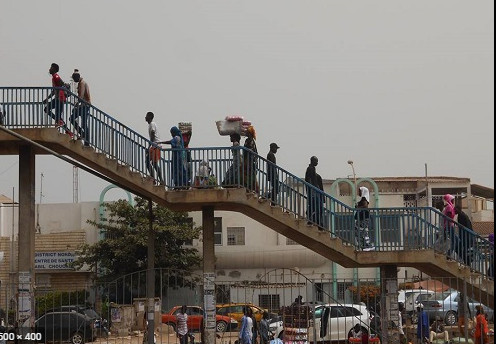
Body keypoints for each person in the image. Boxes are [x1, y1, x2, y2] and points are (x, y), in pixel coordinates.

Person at [42, 63, 71, 136]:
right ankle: (66, 129)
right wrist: (47, 99)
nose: (49, 69)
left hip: (60, 98)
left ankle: (67, 130)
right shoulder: (54, 77)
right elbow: (54, 91)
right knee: (47, 109)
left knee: (57, 116)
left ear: (54, 69)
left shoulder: (56, 77)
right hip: (57, 98)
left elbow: (62, 86)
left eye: (51, 67)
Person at [144, 112, 163, 185]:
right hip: (154, 145)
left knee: (154, 163)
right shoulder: (151, 125)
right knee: (148, 162)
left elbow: (152, 134)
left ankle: (161, 180)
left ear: (149, 117)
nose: (145, 117)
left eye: (146, 116)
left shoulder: (152, 124)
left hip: (156, 145)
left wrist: (149, 147)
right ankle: (153, 179)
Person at [305, 156, 324, 229]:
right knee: (318, 208)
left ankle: (313, 220)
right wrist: (311, 191)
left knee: (315, 208)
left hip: (315, 192)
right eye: (316, 161)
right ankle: (318, 223)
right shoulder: (310, 168)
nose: (317, 163)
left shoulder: (313, 169)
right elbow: (308, 180)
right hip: (313, 192)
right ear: (312, 161)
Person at [354, 186, 374, 251]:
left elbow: (364, 206)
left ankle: (368, 245)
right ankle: (363, 246)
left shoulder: (364, 199)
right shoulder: (362, 199)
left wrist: (358, 207)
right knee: (359, 232)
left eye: (359, 191)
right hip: (361, 217)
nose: (358, 192)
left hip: (363, 217)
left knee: (363, 231)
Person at [442, 194, 458, 260]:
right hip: (449, 226)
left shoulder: (449, 206)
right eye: (452, 199)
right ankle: (448, 255)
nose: (453, 201)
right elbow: (448, 217)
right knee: (455, 241)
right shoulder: (449, 207)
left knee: (455, 241)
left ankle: (449, 254)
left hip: (449, 226)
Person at [243, 126, 259, 193]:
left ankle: (251, 189)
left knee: (250, 176)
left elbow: (252, 151)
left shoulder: (251, 141)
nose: (246, 133)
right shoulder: (248, 141)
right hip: (248, 161)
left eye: (247, 132)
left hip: (250, 162)